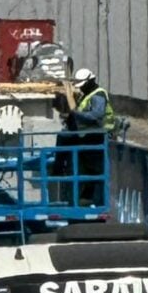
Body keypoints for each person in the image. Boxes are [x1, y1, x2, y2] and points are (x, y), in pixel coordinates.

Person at [54, 68, 115, 203]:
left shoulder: (98, 95)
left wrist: (75, 114)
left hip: (98, 134)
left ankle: (58, 169)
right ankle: (62, 170)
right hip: (88, 133)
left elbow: (96, 116)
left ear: (90, 81)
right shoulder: (86, 95)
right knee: (65, 138)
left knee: (64, 139)